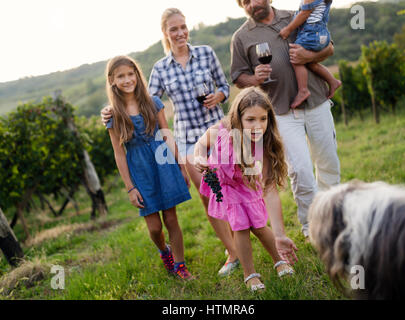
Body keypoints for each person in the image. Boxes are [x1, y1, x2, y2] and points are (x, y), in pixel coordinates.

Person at [102, 8, 240, 276]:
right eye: (173, 29)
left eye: (183, 27)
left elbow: (225, 86)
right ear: (165, 34)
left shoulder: (206, 53)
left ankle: (239, 240)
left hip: (216, 129)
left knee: (230, 187)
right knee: (209, 193)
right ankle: (233, 252)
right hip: (188, 139)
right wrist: (108, 110)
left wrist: (219, 97)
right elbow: (142, 100)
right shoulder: (161, 69)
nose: (180, 33)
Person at [232, 0, 341, 239]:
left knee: (329, 163)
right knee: (300, 171)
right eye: (245, 2)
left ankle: (332, 218)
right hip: (280, 111)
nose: (252, 4)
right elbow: (238, 77)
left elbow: (329, 48)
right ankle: (311, 226)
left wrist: (308, 54)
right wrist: (254, 79)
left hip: (316, 102)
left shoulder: (297, 15)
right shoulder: (241, 37)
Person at [194, 87, 295, 291]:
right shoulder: (221, 129)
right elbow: (200, 144)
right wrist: (199, 157)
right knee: (240, 228)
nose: (258, 125)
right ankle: (250, 274)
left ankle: (279, 260)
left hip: (248, 188)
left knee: (259, 226)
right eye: (250, 119)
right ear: (238, 117)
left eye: (263, 119)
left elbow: (269, 188)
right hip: (228, 188)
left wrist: (281, 232)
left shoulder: (265, 142)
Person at [104, 55, 194, 280]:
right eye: (121, 76)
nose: (127, 79)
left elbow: (166, 134)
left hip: (164, 163)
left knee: (171, 219)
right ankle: (165, 252)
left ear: (137, 75)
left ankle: (181, 266)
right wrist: (130, 188)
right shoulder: (113, 114)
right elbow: (119, 153)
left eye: (130, 74)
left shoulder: (152, 102)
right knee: (154, 227)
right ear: (112, 81)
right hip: (141, 171)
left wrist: (182, 167)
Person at [279, 0, 341, 108]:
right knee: (309, 63)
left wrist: (288, 29)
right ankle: (333, 81)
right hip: (320, 34)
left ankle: (303, 90)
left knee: (296, 57)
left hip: (311, 33)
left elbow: (304, 14)